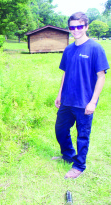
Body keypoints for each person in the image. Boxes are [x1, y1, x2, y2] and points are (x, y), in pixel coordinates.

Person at [53, 12, 109, 179]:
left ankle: (79, 165)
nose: (75, 30)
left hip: (84, 102)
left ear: (86, 27)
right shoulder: (69, 49)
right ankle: (68, 154)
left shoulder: (95, 48)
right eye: (72, 27)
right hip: (67, 101)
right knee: (60, 130)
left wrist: (93, 102)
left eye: (79, 26)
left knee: (82, 135)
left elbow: (101, 76)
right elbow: (65, 73)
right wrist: (59, 94)